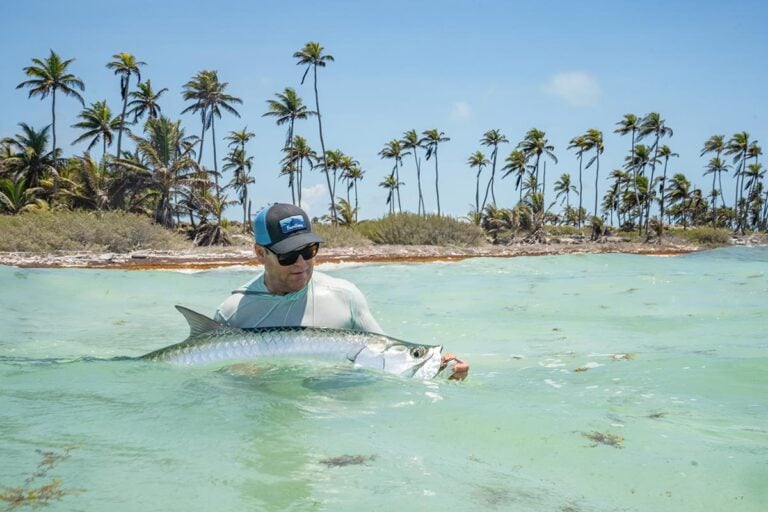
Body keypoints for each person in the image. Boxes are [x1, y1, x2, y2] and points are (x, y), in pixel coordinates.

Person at [214, 203, 469, 380]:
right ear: (260, 253)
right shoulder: (232, 312)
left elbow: (386, 360)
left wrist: (441, 372)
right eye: (289, 255)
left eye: (308, 251)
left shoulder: (345, 296)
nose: (301, 264)